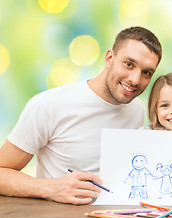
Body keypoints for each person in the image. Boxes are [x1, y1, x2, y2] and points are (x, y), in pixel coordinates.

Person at [0, 26, 162, 205]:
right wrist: (51, 188)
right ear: (109, 58)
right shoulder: (48, 105)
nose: (135, 80)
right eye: (129, 64)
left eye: (146, 72)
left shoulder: (137, 109)